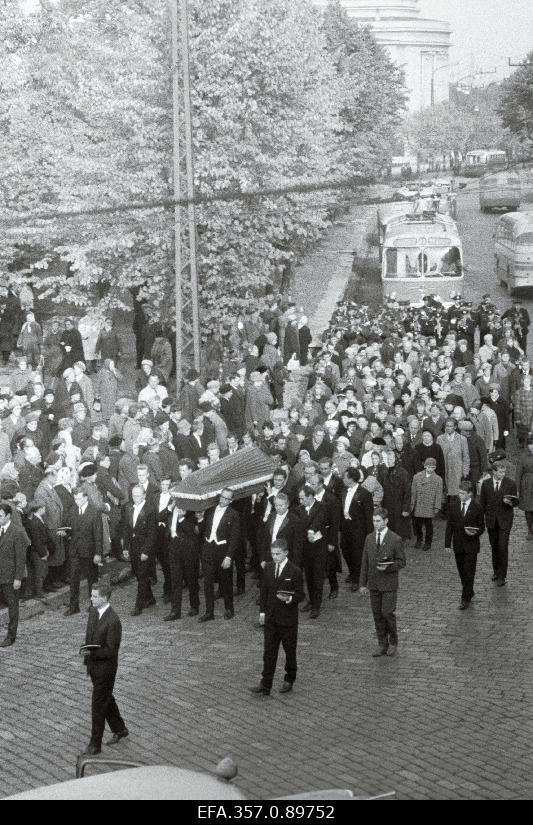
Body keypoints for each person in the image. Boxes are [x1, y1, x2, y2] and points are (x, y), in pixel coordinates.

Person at [249, 539, 305, 696]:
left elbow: (301, 595)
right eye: (273, 554)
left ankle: (290, 678)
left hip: (287, 620)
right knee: (269, 652)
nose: (274, 557)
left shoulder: (294, 571)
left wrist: (288, 599)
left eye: (277, 554)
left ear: (286, 553)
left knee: (289, 651)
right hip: (271, 618)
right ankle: (265, 684)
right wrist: (262, 613)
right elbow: (264, 592)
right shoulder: (268, 568)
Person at [81, 581, 128, 756]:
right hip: (93, 667)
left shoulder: (113, 621)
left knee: (98, 704)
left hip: (105, 670)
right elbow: (89, 635)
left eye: (94, 596)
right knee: (106, 698)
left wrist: (91, 652)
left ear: (105, 598)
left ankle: (95, 745)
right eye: (91, 595)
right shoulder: (93, 612)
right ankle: (120, 728)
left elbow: (110, 650)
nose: (91, 598)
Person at [359, 508, 406, 658]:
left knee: (387, 612)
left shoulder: (395, 539)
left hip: (389, 583)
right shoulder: (369, 538)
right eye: (374, 521)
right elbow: (364, 562)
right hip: (374, 583)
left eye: (378, 521)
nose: (375, 524)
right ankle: (382, 643)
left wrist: (389, 567)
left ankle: (393, 641)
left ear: (386, 521)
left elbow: (401, 562)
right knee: (377, 614)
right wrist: (362, 583)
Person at [198, 488, 240, 622]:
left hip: (223, 550)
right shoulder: (210, 510)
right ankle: (209, 612)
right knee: (208, 582)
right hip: (208, 549)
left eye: (227, 498)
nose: (224, 500)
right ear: (219, 496)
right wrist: (200, 519)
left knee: (225, 581)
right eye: (222, 497)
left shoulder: (233, 514)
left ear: (231, 500)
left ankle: (229, 609)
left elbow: (234, 537)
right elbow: (203, 529)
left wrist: (229, 557)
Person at [479, 461, 518, 587]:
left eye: (504, 472)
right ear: (494, 472)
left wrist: (510, 502)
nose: (503, 474)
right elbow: (482, 504)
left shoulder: (511, 483)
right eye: (500, 472)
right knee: (494, 546)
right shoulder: (485, 484)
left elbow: (516, 502)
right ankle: (496, 571)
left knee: (502, 546)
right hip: (491, 521)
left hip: (505, 521)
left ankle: (502, 576)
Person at [65, 488, 102, 617]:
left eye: (79, 498)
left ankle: (94, 605)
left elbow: (98, 534)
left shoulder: (94, 511)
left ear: (86, 498)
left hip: (89, 551)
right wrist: (65, 532)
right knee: (73, 579)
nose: (77, 501)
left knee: (92, 579)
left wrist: (98, 553)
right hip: (75, 550)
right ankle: (74, 606)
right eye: (75, 499)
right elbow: (70, 528)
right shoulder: (73, 510)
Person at [122, 484, 157, 616]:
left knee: (142, 576)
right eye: (133, 495)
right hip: (133, 547)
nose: (135, 498)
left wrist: (146, 551)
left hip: (144, 548)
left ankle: (139, 604)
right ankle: (150, 598)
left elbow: (152, 534)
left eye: (138, 495)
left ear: (144, 495)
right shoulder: (128, 507)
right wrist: (125, 547)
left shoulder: (150, 510)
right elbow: (126, 528)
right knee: (138, 573)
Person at [340, 467, 373, 592]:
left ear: (351, 479)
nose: (343, 479)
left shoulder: (365, 494)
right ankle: (352, 572)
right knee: (346, 551)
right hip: (346, 527)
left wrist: (369, 534)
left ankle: (357, 579)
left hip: (359, 529)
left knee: (357, 554)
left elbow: (369, 516)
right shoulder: (343, 491)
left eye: (344, 477)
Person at [164, 506, 200, 621]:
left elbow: (192, 531)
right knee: (175, 580)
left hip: (188, 549)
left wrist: (181, 518)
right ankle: (175, 611)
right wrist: (169, 509)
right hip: (174, 547)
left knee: (191, 578)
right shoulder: (171, 508)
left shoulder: (190, 509)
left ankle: (194, 605)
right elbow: (162, 519)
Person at [0, 503, 28, 647]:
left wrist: (18, 578)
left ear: (8, 516)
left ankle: (11, 636)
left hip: (10, 577)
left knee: (12, 607)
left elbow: (20, 557)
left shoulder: (16, 532)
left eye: (0, 516)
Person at [411, 457, 443, 552]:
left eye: (432, 467)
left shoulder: (438, 479)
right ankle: (419, 540)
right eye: (428, 467)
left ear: (435, 468)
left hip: (429, 505)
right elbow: (413, 491)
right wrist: (412, 504)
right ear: (425, 466)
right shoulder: (417, 476)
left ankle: (428, 542)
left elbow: (439, 494)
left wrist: (437, 506)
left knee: (429, 526)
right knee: (418, 525)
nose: (430, 469)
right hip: (419, 505)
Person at [516, 435, 533, 540]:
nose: (531, 447)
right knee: (528, 508)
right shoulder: (523, 456)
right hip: (527, 484)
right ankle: (530, 530)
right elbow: (518, 473)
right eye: (530, 444)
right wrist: (517, 489)